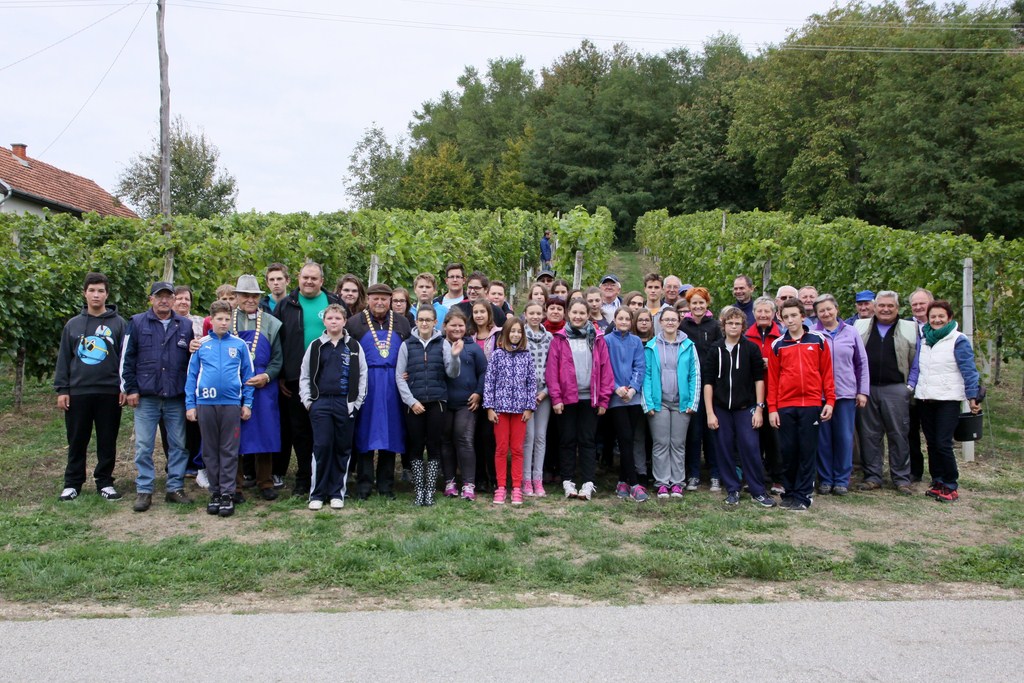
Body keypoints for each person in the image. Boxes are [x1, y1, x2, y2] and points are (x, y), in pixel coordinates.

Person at [121, 281, 197, 512]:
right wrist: (130, 388)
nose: (164, 300)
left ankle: (175, 488)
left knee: (178, 445)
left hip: (175, 395)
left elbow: (191, 361)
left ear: (173, 299)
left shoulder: (185, 325)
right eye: (159, 296)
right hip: (147, 396)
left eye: (168, 296)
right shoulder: (137, 322)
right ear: (151, 299)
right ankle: (144, 490)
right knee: (144, 445)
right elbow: (127, 358)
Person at [55, 272, 127, 502]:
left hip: (109, 391)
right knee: (77, 439)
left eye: (101, 291)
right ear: (85, 293)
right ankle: (72, 483)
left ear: (107, 294)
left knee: (107, 440)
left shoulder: (119, 323)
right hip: (79, 392)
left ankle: (105, 482)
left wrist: (124, 386)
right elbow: (64, 358)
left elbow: (125, 358)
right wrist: (62, 389)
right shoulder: (73, 325)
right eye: (92, 290)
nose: (96, 295)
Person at [273, 262, 340, 496]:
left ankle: (326, 475)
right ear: (298, 279)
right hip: (296, 379)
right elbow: (277, 342)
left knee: (327, 431)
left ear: (322, 281)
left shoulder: (334, 302)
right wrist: (281, 374)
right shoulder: (285, 305)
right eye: (305, 277)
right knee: (300, 431)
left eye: (314, 278)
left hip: (328, 378)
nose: (309, 281)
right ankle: (304, 477)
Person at [185, 300, 254, 518]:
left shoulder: (239, 345)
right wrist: (190, 405)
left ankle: (227, 493)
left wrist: (247, 403)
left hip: (231, 404)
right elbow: (191, 376)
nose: (223, 323)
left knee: (229, 450)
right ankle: (215, 492)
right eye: (219, 319)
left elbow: (248, 376)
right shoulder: (201, 345)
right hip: (205, 404)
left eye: (227, 319)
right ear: (211, 320)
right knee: (210, 450)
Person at [907, 300, 982, 503]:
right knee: (932, 443)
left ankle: (950, 483)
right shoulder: (924, 340)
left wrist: (973, 397)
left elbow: (968, 370)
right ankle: (938, 480)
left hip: (947, 399)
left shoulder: (958, 340)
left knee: (943, 443)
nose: (937, 320)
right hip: (925, 398)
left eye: (941, 316)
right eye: (933, 317)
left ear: (949, 318)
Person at [767, 298, 835, 511]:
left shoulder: (818, 340)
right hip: (786, 405)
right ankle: (789, 493)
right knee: (788, 451)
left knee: (807, 451)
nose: (790, 320)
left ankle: (804, 495)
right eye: (786, 317)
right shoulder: (778, 345)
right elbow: (773, 380)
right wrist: (772, 408)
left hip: (811, 404)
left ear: (803, 316)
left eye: (794, 315)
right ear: (781, 319)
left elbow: (827, 373)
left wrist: (830, 401)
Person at [346, 283, 412, 500]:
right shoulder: (355, 323)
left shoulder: (402, 322)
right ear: (368, 299)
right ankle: (364, 485)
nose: (380, 302)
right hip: (366, 383)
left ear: (390, 300)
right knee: (365, 432)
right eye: (375, 298)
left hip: (393, 384)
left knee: (390, 432)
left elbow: (408, 352)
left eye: (384, 298)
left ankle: (386, 485)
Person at [704, 305, 774, 508]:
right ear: (723, 325)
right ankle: (732, 489)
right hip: (721, 408)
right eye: (730, 323)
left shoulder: (751, 348)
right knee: (724, 448)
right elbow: (708, 382)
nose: (733, 326)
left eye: (737, 323)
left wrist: (759, 408)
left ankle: (757, 490)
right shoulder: (715, 349)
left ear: (743, 326)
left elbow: (759, 379)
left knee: (750, 447)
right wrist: (710, 412)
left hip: (746, 407)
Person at [300, 304, 367, 511]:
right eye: (330, 318)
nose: (334, 321)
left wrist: (355, 403)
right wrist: (308, 401)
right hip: (320, 403)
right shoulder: (315, 346)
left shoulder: (354, 346)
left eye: (338, 318)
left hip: (344, 403)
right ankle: (317, 494)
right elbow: (305, 375)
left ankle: (337, 492)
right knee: (322, 447)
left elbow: (363, 375)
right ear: (324, 321)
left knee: (342, 448)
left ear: (344, 321)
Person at [546, 298, 614, 501]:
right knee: (567, 439)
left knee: (587, 440)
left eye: (582, 313)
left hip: (590, 398)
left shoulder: (597, 339)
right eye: (574, 312)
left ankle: (588, 482)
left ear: (588, 315)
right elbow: (552, 372)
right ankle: (568, 480)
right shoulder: (559, 339)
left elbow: (605, 370)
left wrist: (604, 400)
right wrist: (556, 398)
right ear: (569, 314)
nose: (578, 316)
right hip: (567, 399)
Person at [396, 305, 463, 506]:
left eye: (428, 320)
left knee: (434, 446)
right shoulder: (407, 345)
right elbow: (399, 377)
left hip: (437, 403)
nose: (424, 323)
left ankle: (430, 490)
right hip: (414, 405)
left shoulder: (442, 344)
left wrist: (455, 356)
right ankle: (419, 490)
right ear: (416, 322)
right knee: (416, 446)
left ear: (435, 322)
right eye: (421, 320)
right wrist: (411, 401)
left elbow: (452, 373)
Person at [853, 291, 919, 495]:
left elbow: (916, 360)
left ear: (897, 308)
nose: (885, 309)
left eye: (890, 306)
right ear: (874, 307)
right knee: (869, 434)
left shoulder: (910, 328)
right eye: (881, 305)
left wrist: (909, 387)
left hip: (896, 388)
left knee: (898, 434)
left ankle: (901, 478)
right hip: (868, 388)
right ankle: (873, 476)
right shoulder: (860, 326)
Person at [231, 274, 284, 502]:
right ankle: (234, 485)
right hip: (234, 385)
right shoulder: (226, 320)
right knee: (234, 435)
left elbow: (278, 358)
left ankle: (265, 482)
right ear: (237, 297)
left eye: (254, 296)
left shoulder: (270, 322)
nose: (250, 300)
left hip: (263, 386)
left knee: (265, 432)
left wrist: (267, 375)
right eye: (245, 295)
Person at [812, 294, 869, 496]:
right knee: (823, 439)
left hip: (845, 393)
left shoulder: (851, 332)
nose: (826, 313)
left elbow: (861, 363)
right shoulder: (813, 334)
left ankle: (842, 480)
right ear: (816, 314)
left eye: (829, 309)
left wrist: (862, 391)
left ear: (836, 309)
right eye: (821, 311)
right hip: (820, 396)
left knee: (844, 437)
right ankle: (825, 479)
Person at [642, 306, 699, 499]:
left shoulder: (688, 346)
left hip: (681, 403)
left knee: (678, 443)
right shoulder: (651, 346)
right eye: (666, 319)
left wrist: (693, 401)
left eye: (673, 319)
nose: (670, 322)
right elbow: (647, 375)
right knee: (661, 443)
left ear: (679, 322)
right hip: (660, 403)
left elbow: (695, 374)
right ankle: (661, 483)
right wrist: (648, 403)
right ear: (660, 322)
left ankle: (677, 483)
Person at [484, 318, 537, 505]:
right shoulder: (497, 355)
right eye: (512, 331)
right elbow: (489, 382)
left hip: (520, 411)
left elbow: (531, 383)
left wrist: (529, 407)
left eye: (519, 331)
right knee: (501, 449)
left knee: (517, 449)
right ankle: (500, 487)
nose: (515, 334)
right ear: (505, 334)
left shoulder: (526, 356)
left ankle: (516, 487)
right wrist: (489, 407)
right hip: (500, 410)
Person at [680, 286, 722, 491]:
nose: (698, 306)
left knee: (712, 431)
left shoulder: (714, 326)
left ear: (707, 304)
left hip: (711, 384)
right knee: (694, 432)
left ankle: (715, 473)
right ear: (689, 305)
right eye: (694, 303)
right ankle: (694, 474)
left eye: (701, 302)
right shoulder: (683, 327)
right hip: (691, 385)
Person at [440, 308, 485, 501]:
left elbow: (484, 371)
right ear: (445, 326)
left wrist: (478, 393)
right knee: (445, 441)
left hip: (466, 403)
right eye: (453, 325)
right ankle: (449, 482)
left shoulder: (473, 348)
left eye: (461, 325)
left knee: (464, 439)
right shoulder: (438, 345)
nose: (457, 329)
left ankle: (468, 484)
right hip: (443, 402)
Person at [605, 307, 647, 502]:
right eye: (620, 318)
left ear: (631, 322)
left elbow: (640, 366)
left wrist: (632, 389)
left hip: (633, 397)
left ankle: (623, 481)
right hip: (616, 398)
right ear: (614, 320)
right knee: (624, 438)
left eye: (627, 319)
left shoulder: (636, 341)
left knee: (629, 439)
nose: (623, 322)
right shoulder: (606, 341)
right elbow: (605, 368)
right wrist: (616, 388)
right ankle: (634, 483)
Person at [745, 296, 784, 494]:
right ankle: (755, 477)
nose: (762, 315)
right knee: (754, 439)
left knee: (775, 439)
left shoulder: (781, 336)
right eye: (759, 311)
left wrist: (772, 363)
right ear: (753, 314)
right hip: (752, 394)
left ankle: (778, 478)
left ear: (774, 314)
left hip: (775, 394)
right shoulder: (746, 336)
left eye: (767, 311)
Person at [521, 301, 552, 497]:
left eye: (538, 313)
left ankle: (537, 479)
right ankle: (526, 479)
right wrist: (527, 393)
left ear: (543, 315)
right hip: (525, 394)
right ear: (525, 314)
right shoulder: (520, 336)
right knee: (528, 436)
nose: (535, 316)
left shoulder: (549, 338)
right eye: (531, 313)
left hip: (543, 394)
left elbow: (552, 366)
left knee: (541, 436)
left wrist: (545, 392)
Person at [906, 287, 934, 482]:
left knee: (933, 433)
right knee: (910, 431)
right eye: (914, 304)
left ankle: (937, 472)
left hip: (932, 388)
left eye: (922, 303)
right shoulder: (906, 325)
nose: (918, 307)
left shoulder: (940, 325)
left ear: (930, 303)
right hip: (911, 386)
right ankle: (915, 470)